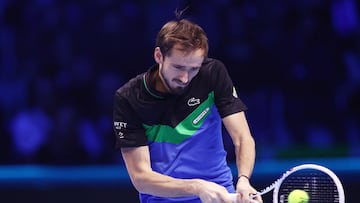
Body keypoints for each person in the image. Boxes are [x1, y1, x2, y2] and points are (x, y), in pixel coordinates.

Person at [113, 17, 262, 203]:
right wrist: (197, 187)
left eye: (193, 69)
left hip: (220, 195)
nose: (185, 78)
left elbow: (243, 139)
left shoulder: (213, 74)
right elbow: (141, 178)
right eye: (178, 67)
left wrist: (244, 179)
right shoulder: (129, 98)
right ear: (159, 56)